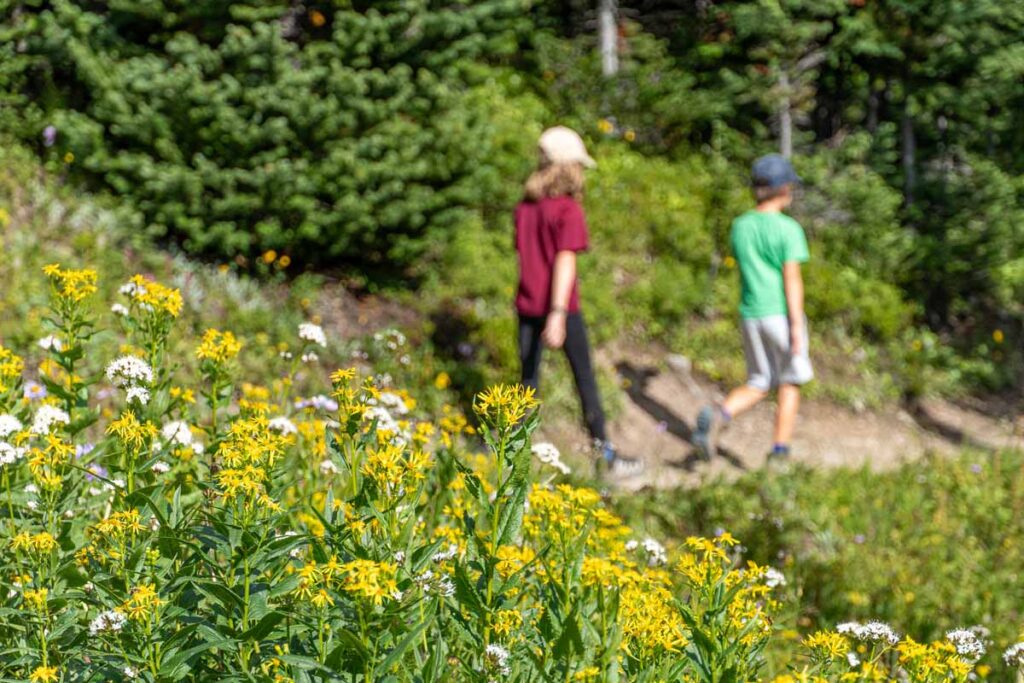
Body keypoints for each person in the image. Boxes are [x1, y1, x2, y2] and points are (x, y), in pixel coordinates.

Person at [514, 126, 642, 476]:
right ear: (570, 167)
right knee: (584, 379)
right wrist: (557, 313)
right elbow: (565, 261)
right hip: (560, 308)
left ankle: (511, 455)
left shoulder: (526, 206)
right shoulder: (568, 210)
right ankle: (606, 457)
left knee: (527, 381)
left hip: (527, 305)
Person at [693, 153, 813, 462]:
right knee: (790, 381)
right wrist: (796, 325)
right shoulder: (789, 230)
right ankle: (779, 452)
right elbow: (792, 280)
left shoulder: (741, 226)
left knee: (759, 381)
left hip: (750, 313)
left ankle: (720, 414)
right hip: (780, 314)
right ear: (784, 188)